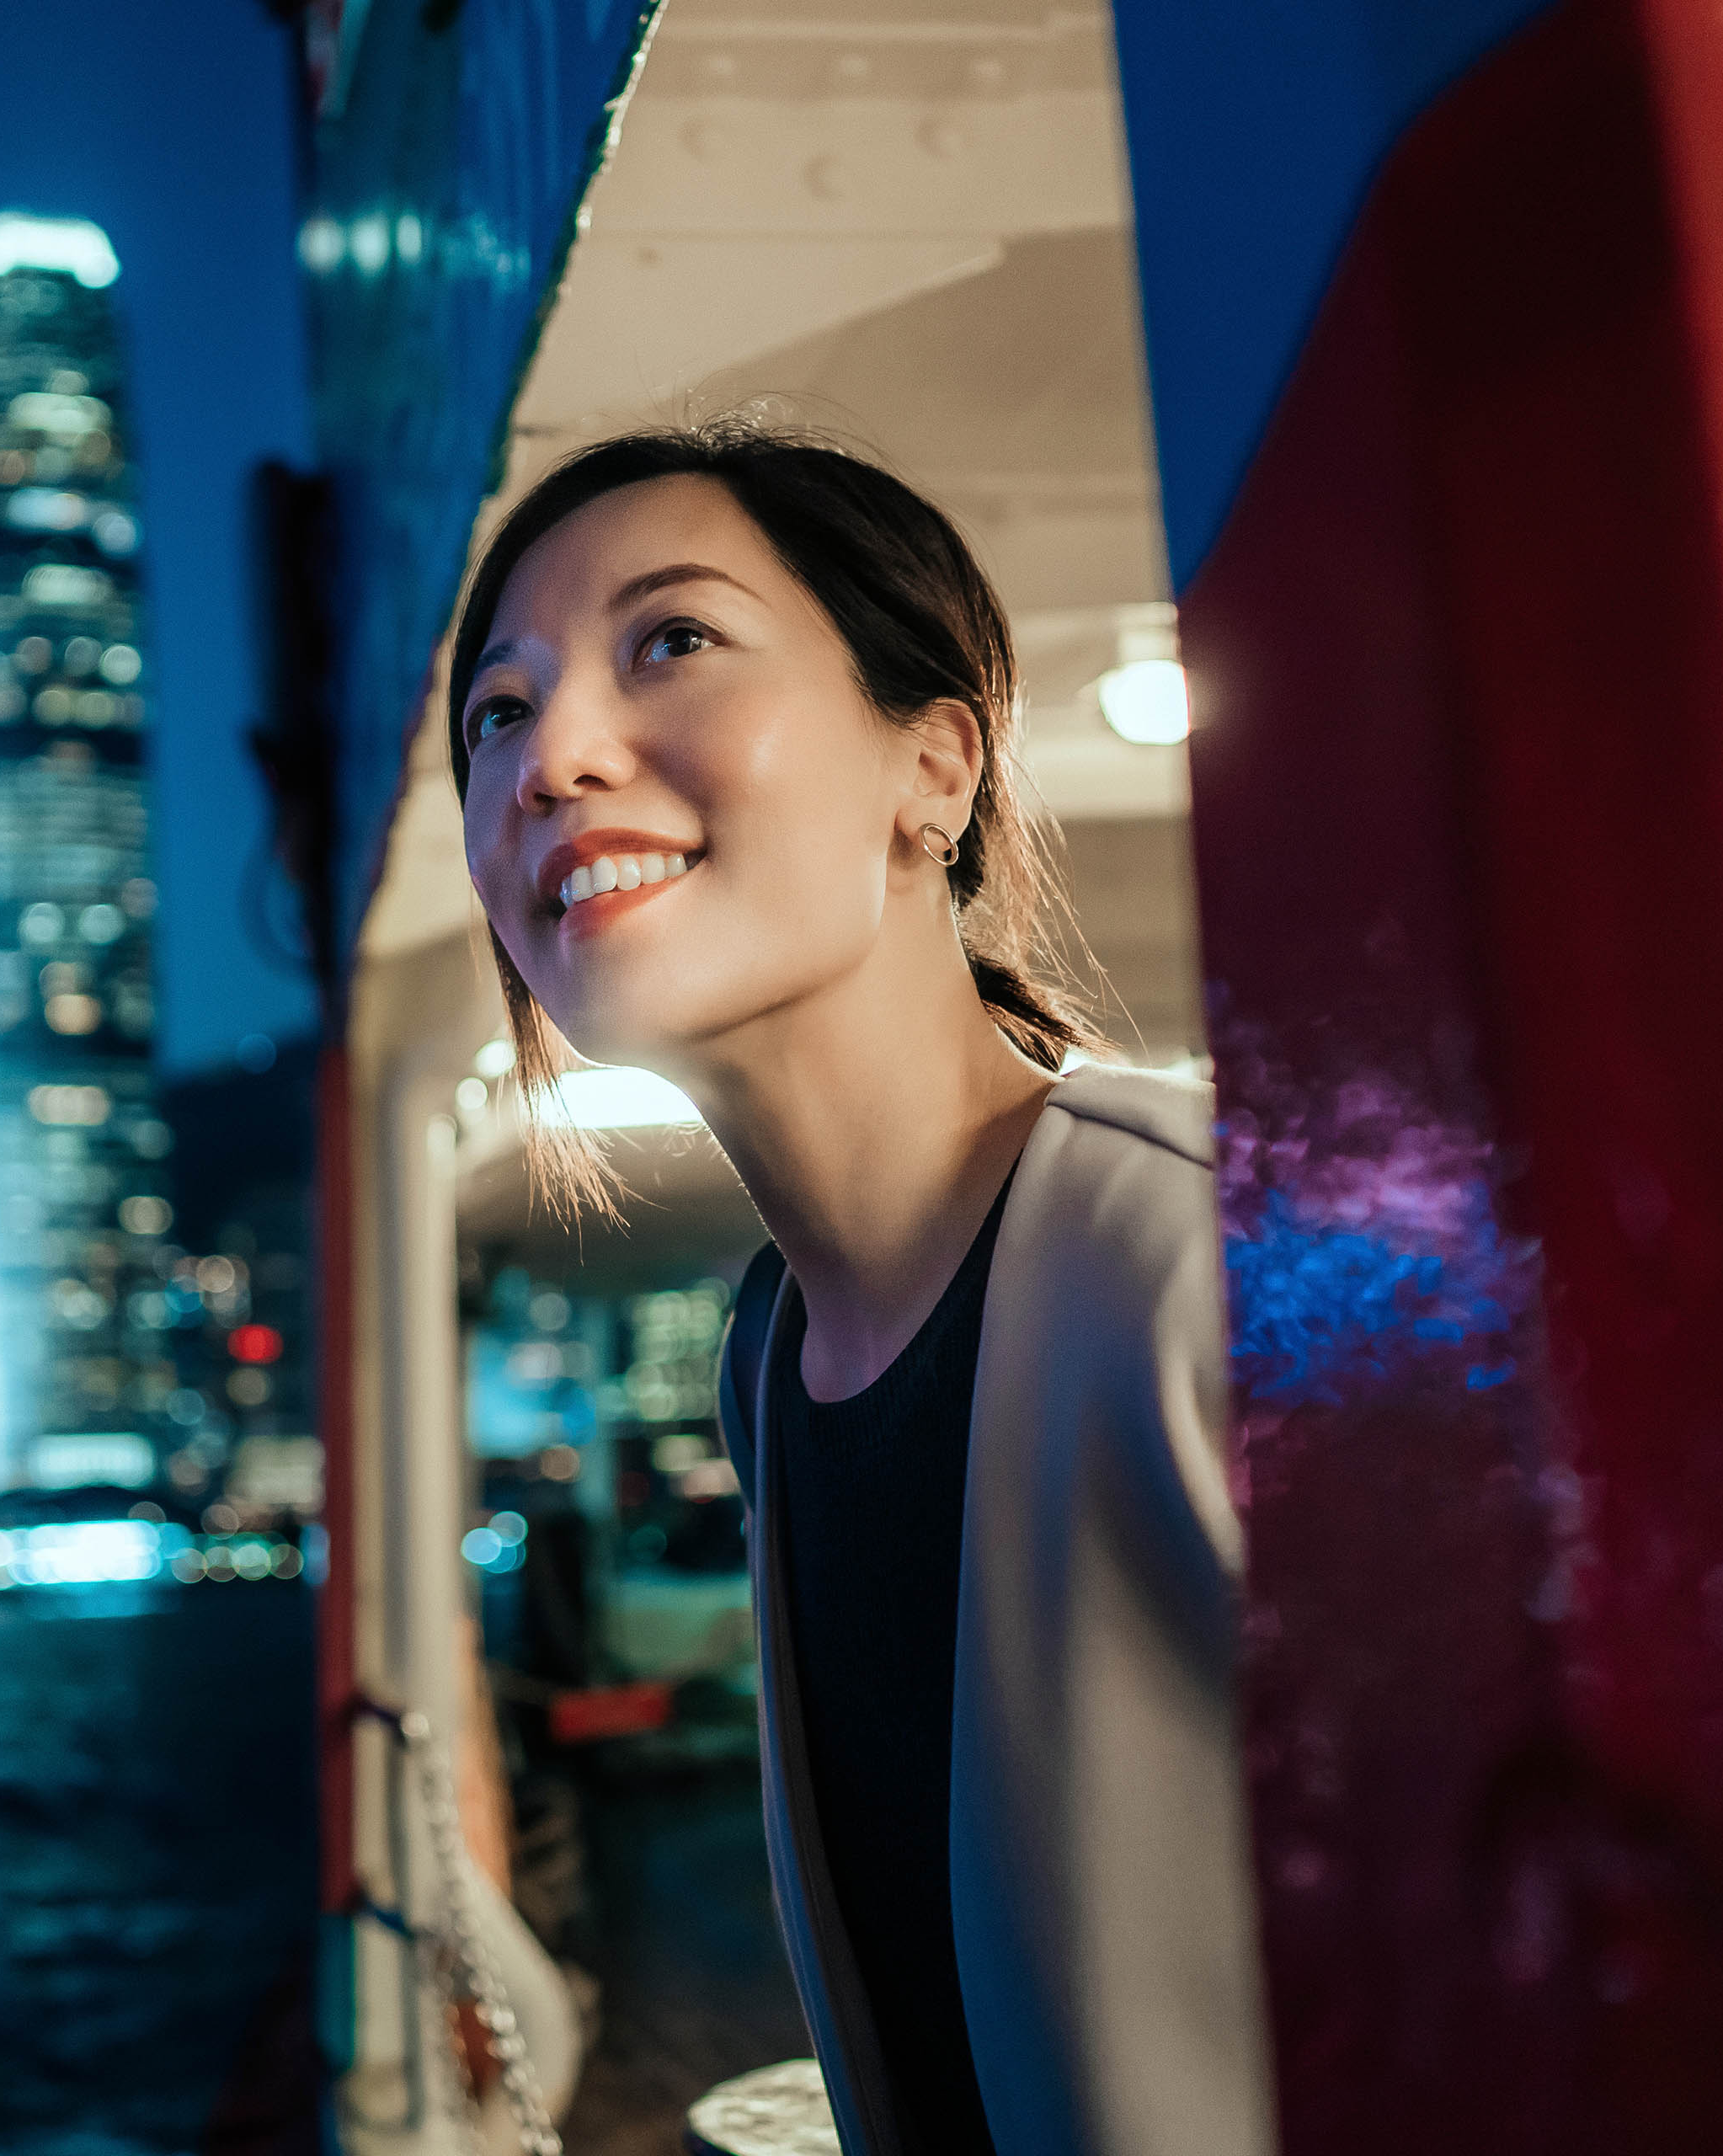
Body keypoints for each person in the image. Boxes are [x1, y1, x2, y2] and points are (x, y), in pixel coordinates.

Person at [446, 423, 1270, 2156]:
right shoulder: (772, 1362)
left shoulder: (1212, 1263)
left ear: (937, 763)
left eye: (670, 639)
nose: (554, 756)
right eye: (498, 713)